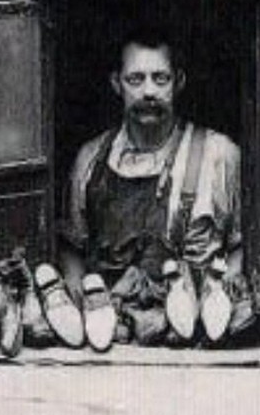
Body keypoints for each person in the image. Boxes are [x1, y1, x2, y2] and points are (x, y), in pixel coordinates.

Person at [51, 32, 243, 347]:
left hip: (190, 331)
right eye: (136, 79)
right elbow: (71, 248)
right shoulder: (89, 159)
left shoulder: (219, 155)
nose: (149, 91)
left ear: (178, 82)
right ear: (116, 84)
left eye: (160, 78)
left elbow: (238, 246)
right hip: (110, 333)